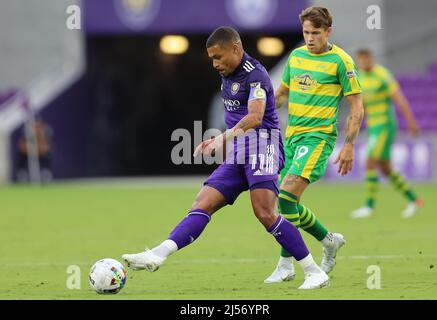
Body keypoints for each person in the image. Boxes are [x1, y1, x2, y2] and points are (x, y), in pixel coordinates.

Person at [122, 26, 330, 289]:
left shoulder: (254, 76)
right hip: (240, 149)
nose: (214, 63)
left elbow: (255, 117)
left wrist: (222, 137)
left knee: (265, 212)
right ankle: (157, 255)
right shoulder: (227, 74)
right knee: (203, 201)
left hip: (263, 144)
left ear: (235, 48)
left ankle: (313, 271)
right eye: (211, 58)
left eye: (218, 57)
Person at [264, 6, 365, 283]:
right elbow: (283, 93)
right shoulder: (296, 57)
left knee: (285, 197)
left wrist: (349, 145)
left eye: (316, 33)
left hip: (318, 138)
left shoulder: (341, 62)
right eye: (306, 32)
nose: (310, 38)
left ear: (328, 31)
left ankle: (287, 265)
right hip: (292, 138)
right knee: (285, 204)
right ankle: (329, 240)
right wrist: (263, 113)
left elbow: (357, 107)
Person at [351, 49, 423, 219]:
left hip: (384, 124)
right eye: (360, 60)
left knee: (370, 162)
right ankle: (414, 200)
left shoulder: (382, 75)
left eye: (366, 59)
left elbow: (400, 100)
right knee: (386, 168)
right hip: (373, 126)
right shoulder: (359, 77)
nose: (363, 62)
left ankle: (369, 206)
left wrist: (411, 122)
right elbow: (363, 106)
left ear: (371, 59)